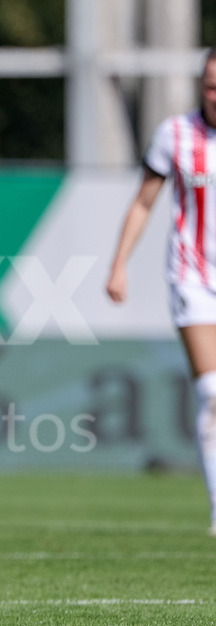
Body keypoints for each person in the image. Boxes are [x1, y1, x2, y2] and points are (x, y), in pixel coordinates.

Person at [106, 48, 216, 534]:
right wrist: (119, 265)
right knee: (213, 393)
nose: (215, 94)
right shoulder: (175, 134)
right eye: (210, 85)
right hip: (193, 277)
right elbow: (143, 203)